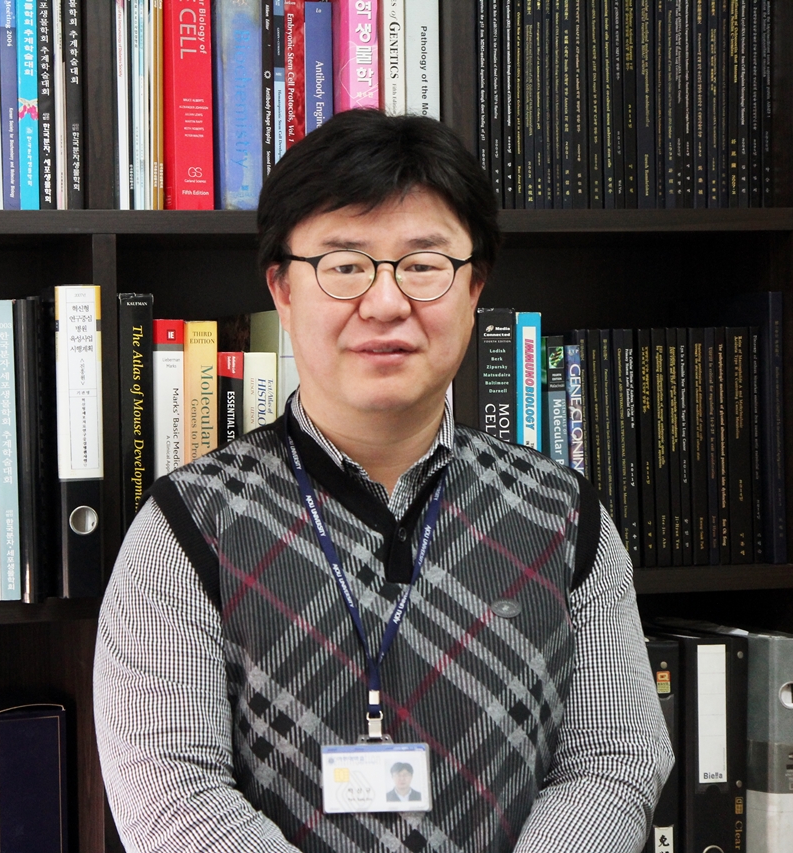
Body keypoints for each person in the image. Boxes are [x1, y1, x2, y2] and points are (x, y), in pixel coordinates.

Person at [93, 110, 672, 852]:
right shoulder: (186, 525)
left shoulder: (564, 515)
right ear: (283, 289)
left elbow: (615, 763)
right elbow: (172, 793)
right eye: (345, 265)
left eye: (423, 264)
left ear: (474, 287)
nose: (387, 302)